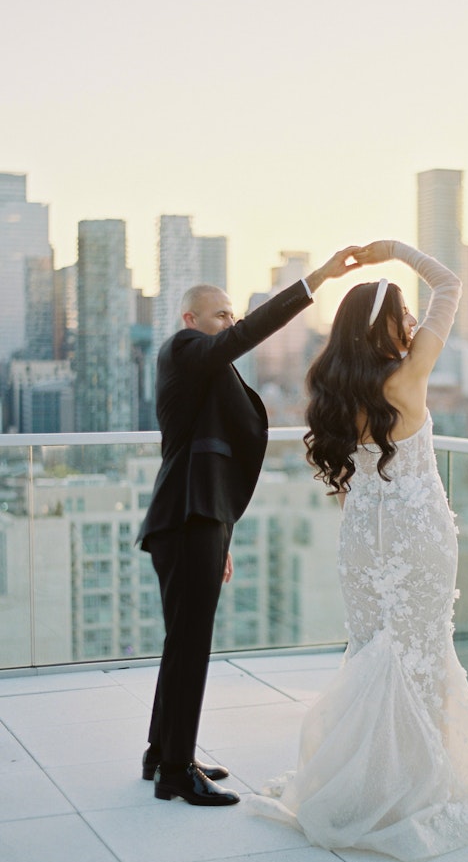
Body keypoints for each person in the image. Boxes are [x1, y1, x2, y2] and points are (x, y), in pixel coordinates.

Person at [249, 240, 468, 858]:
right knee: (420, 654)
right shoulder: (409, 373)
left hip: (363, 536)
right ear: (389, 327)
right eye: (403, 317)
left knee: (374, 653)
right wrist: (392, 252)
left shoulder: (335, 391)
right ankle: (412, 790)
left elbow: (348, 485)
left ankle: (368, 781)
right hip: (417, 533)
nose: (414, 323)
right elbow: (449, 283)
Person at [137, 247, 362, 806]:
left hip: (197, 518)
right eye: (221, 315)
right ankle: (174, 774)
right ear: (191, 321)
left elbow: (214, 460)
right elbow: (240, 342)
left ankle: (164, 754)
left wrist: (223, 535)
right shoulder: (186, 349)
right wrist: (317, 280)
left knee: (181, 642)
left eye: (233, 314)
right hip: (188, 517)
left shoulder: (206, 370)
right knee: (191, 645)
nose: (231, 323)